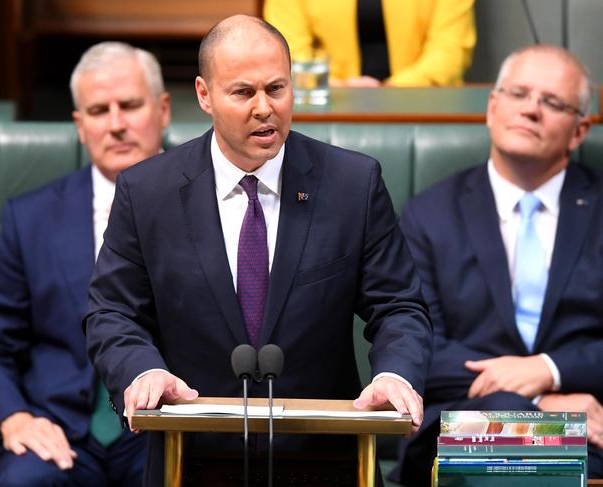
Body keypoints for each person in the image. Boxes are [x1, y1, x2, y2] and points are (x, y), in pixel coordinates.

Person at [84, 14, 432, 486]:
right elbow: (111, 312)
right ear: (205, 95)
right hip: (191, 457)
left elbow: (398, 306)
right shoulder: (148, 192)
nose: (265, 108)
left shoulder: (352, 184)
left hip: (323, 459)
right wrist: (142, 370)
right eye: (243, 93)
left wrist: (395, 374)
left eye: (277, 88)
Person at [0, 41, 170, 487]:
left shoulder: (211, 206)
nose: (116, 125)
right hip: (56, 429)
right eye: (97, 111)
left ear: (163, 109)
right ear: (79, 126)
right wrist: (14, 419)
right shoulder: (30, 218)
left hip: (163, 426)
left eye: (129, 105)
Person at [394, 44, 603, 485]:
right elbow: (419, 346)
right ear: (493, 106)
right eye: (518, 94)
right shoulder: (428, 215)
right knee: (500, 433)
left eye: (551, 103)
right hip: (463, 426)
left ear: (580, 131)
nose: (531, 110)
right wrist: (540, 403)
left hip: (593, 420)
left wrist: (548, 368)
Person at [264, 0, 476, 87]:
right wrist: (341, 91)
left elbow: (449, 51)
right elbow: (286, 50)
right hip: (327, 107)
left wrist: (387, 92)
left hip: (423, 105)